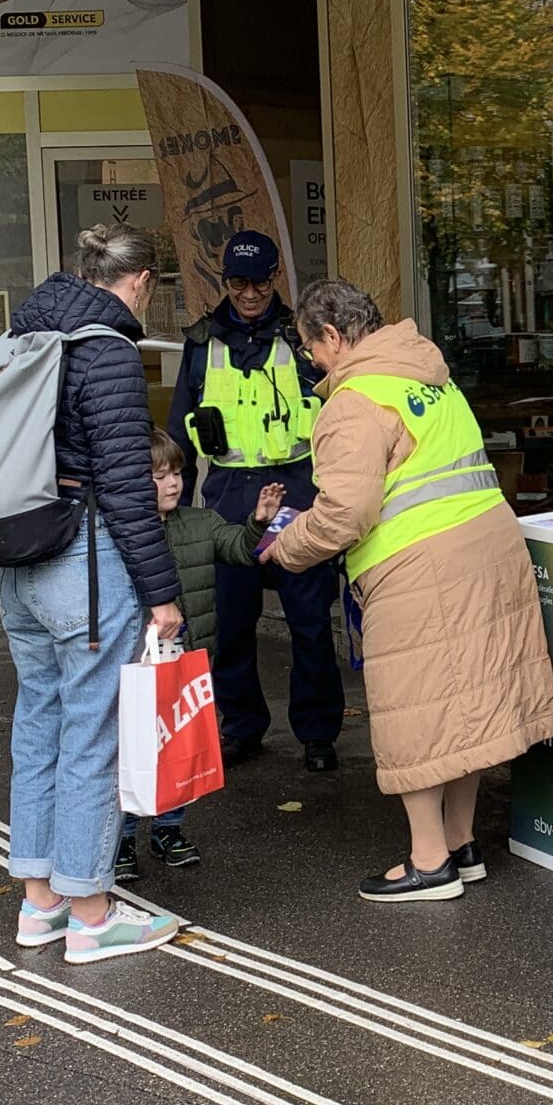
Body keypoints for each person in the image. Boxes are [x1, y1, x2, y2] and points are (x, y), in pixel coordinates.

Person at [265, 279, 553, 904]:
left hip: (420, 569)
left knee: (418, 714)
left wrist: (285, 549)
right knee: (468, 705)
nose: (312, 363)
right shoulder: (432, 376)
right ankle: (462, 843)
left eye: (310, 348)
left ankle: (429, 863)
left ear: (333, 337)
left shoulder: (354, 401)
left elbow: (345, 515)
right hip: (489, 551)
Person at [1, 224, 190, 965]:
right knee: (92, 735)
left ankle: (39, 902)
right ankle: (91, 911)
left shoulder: (27, 335)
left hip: (20, 561)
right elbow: (125, 485)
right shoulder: (105, 348)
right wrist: (161, 593)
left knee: (39, 726)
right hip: (84, 560)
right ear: (140, 280)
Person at [170, 231, 345, 773]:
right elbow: (179, 430)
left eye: (260, 280)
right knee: (231, 624)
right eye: (238, 281)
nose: (249, 292)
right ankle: (241, 726)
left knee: (310, 622)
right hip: (228, 500)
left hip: (296, 493)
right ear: (225, 281)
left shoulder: (303, 341)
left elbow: (341, 419)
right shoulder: (202, 342)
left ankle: (317, 735)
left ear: (276, 278)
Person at [114, 429, 285, 885]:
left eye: (177, 473)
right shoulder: (120, 535)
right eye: (159, 476)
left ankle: (168, 831)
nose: (172, 483)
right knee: (132, 748)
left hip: (190, 658)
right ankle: (123, 835)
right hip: (136, 662)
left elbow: (236, 548)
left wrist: (258, 521)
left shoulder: (199, 522)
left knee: (180, 746)